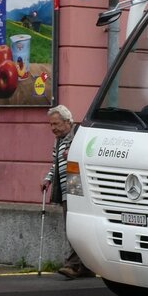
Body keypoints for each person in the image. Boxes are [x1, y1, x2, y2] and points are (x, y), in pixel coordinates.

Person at [42, 105, 94, 278]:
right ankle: (85, 267)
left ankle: (72, 265)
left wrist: (74, 153)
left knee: (74, 228)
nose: (53, 128)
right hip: (65, 187)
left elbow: (90, 152)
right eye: (51, 125)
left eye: (56, 124)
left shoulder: (79, 134)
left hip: (78, 184)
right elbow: (55, 164)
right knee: (71, 227)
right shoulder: (57, 141)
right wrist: (48, 179)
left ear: (67, 122)